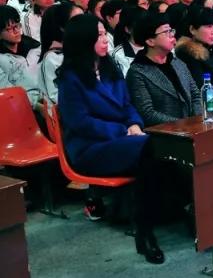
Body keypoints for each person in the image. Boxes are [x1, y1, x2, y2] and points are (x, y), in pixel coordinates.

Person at [56, 14, 165, 264]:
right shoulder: (71, 78)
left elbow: (127, 105)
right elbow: (79, 122)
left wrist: (134, 124)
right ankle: (145, 228)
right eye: (99, 35)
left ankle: (146, 225)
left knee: (156, 154)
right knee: (151, 151)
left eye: (105, 33)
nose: (106, 39)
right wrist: (122, 131)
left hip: (124, 141)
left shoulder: (109, 68)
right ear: (84, 40)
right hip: (90, 148)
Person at [126, 13, 201, 126]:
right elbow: (147, 113)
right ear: (150, 41)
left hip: (192, 126)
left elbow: (195, 95)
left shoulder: (177, 63)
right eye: (166, 32)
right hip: (164, 131)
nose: (172, 35)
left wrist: (196, 119)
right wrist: (181, 124)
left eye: (171, 31)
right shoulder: (138, 72)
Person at [37, 3, 84, 105]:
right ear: (62, 27)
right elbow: (56, 96)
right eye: (77, 20)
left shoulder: (84, 49)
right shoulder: (53, 58)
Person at [0, 5, 40, 107]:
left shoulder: (34, 46)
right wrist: (36, 105)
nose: (17, 31)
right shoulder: (2, 60)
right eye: (10, 28)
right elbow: (9, 93)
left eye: (17, 26)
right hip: (24, 107)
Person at [112, 6, 147, 76]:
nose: (146, 30)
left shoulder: (157, 46)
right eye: (141, 27)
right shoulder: (119, 54)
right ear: (128, 29)